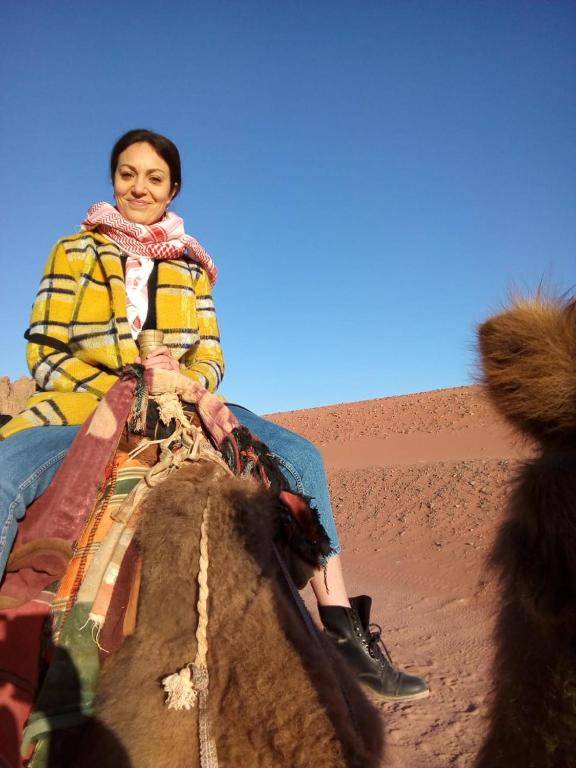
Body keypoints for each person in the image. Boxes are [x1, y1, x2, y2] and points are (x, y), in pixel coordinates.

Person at [0, 129, 428, 702]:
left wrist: (185, 383)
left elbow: (212, 354)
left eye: (155, 178)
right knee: (7, 476)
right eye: (128, 174)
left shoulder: (191, 267)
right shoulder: (73, 251)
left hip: (184, 404)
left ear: (172, 189)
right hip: (84, 404)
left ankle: (343, 630)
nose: (140, 187)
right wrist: (127, 382)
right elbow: (45, 349)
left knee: (302, 458)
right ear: (114, 180)